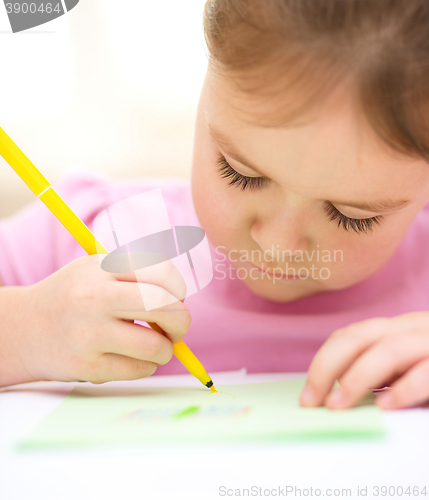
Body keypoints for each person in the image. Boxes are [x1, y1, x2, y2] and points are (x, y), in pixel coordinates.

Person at [1, 0, 429, 410]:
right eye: (240, 173)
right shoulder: (94, 229)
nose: (277, 246)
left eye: (352, 216)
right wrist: (25, 332)